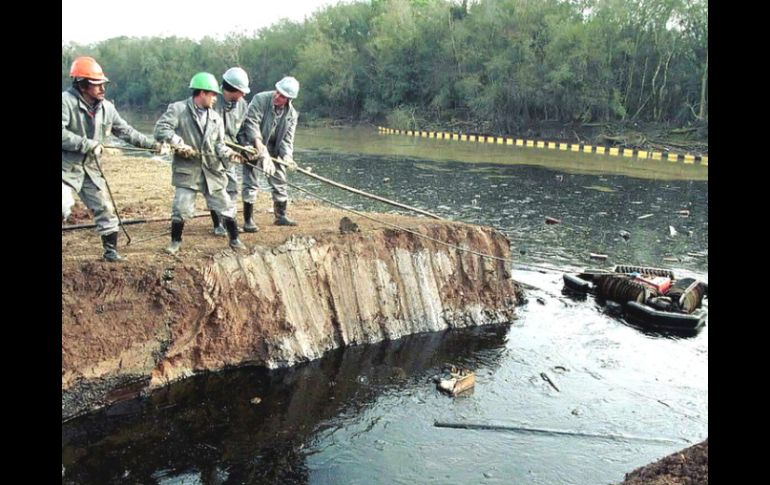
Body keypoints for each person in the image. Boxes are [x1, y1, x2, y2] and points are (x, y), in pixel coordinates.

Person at [62, 56, 168, 262]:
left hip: (91, 169)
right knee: (63, 204)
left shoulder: (106, 108)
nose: (102, 88)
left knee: (105, 209)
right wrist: (88, 144)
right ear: (82, 85)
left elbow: (126, 131)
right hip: (66, 167)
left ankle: (110, 251)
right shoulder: (65, 102)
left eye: (103, 83)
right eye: (97, 84)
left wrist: (153, 146)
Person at [154, 72, 246, 256]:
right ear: (202, 93)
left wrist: (229, 154)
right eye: (212, 95)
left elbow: (219, 145)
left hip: (212, 171)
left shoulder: (215, 118)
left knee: (226, 206)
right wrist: (178, 143)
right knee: (181, 208)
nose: (214, 99)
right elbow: (161, 129)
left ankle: (234, 239)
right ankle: (175, 242)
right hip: (188, 170)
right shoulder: (178, 109)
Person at [236, 76, 300, 227]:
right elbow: (251, 123)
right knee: (250, 181)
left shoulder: (291, 115)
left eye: (282, 96)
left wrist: (287, 157)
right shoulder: (260, 99)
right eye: (277, 92)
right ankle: (248, 219)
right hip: (251, 143)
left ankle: (281, 216)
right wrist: (261, 152)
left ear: (289, 99)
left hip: (273, 148)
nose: (277, 96)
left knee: (280, 179)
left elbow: (287, 139)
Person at [210, 67, 250, 236]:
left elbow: (242, 131)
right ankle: (217, 223)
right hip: (211, 153)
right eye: (241, 91)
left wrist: (245, 146)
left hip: (231, 153)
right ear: (231, 90)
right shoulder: (212, 101)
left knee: (232, 186)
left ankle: (229, 220)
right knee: (215, 188)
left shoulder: (242, 105)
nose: (243, 95)